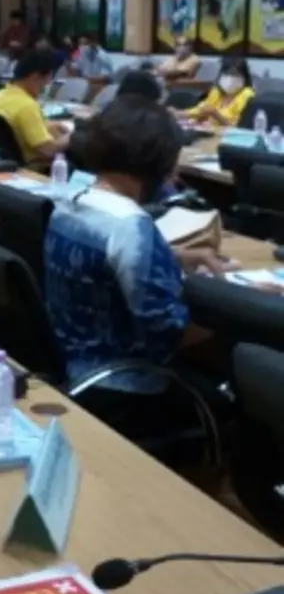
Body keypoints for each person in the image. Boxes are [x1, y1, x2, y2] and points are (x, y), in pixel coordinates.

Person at [44, 98, 230, 444]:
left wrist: (171, 256)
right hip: (126, 387)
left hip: (74, 366)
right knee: (234, 396)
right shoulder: (132, 226)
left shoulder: (71, 201)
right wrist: (237, 308)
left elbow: (102, 264)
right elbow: (170, 332)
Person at [0, 50, 71, 164]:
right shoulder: (27, 106)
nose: (46, 87)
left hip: (1, 162)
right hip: (35, 167)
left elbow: (22, 127)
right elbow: (48, 150)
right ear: (35, 77)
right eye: (46, 81)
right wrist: (72, 137)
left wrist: (50, 125)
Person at [182, 57, 254, 127]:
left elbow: (240, 127)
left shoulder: (247, 95)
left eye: (235, 75)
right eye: (226, 74)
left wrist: (216, 115)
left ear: (244, 76)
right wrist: (180, 114)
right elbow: (199, 109)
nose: (230, 78)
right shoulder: (217, 92)